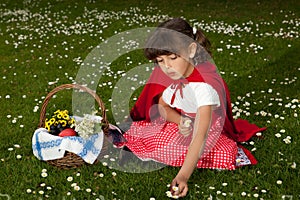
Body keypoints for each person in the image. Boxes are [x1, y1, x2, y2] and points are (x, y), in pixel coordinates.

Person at [119, 18, 266, 198]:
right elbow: (163, 106)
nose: (166, 67)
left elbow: (200, 134)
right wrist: (180, 120)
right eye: (160, 60)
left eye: (173, 58)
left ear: (191, 50)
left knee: (213, 151)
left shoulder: (203, 87)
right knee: (152, 136)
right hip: (187, 122)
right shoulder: (173, 76)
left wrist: (183, 175)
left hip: (205, 129)